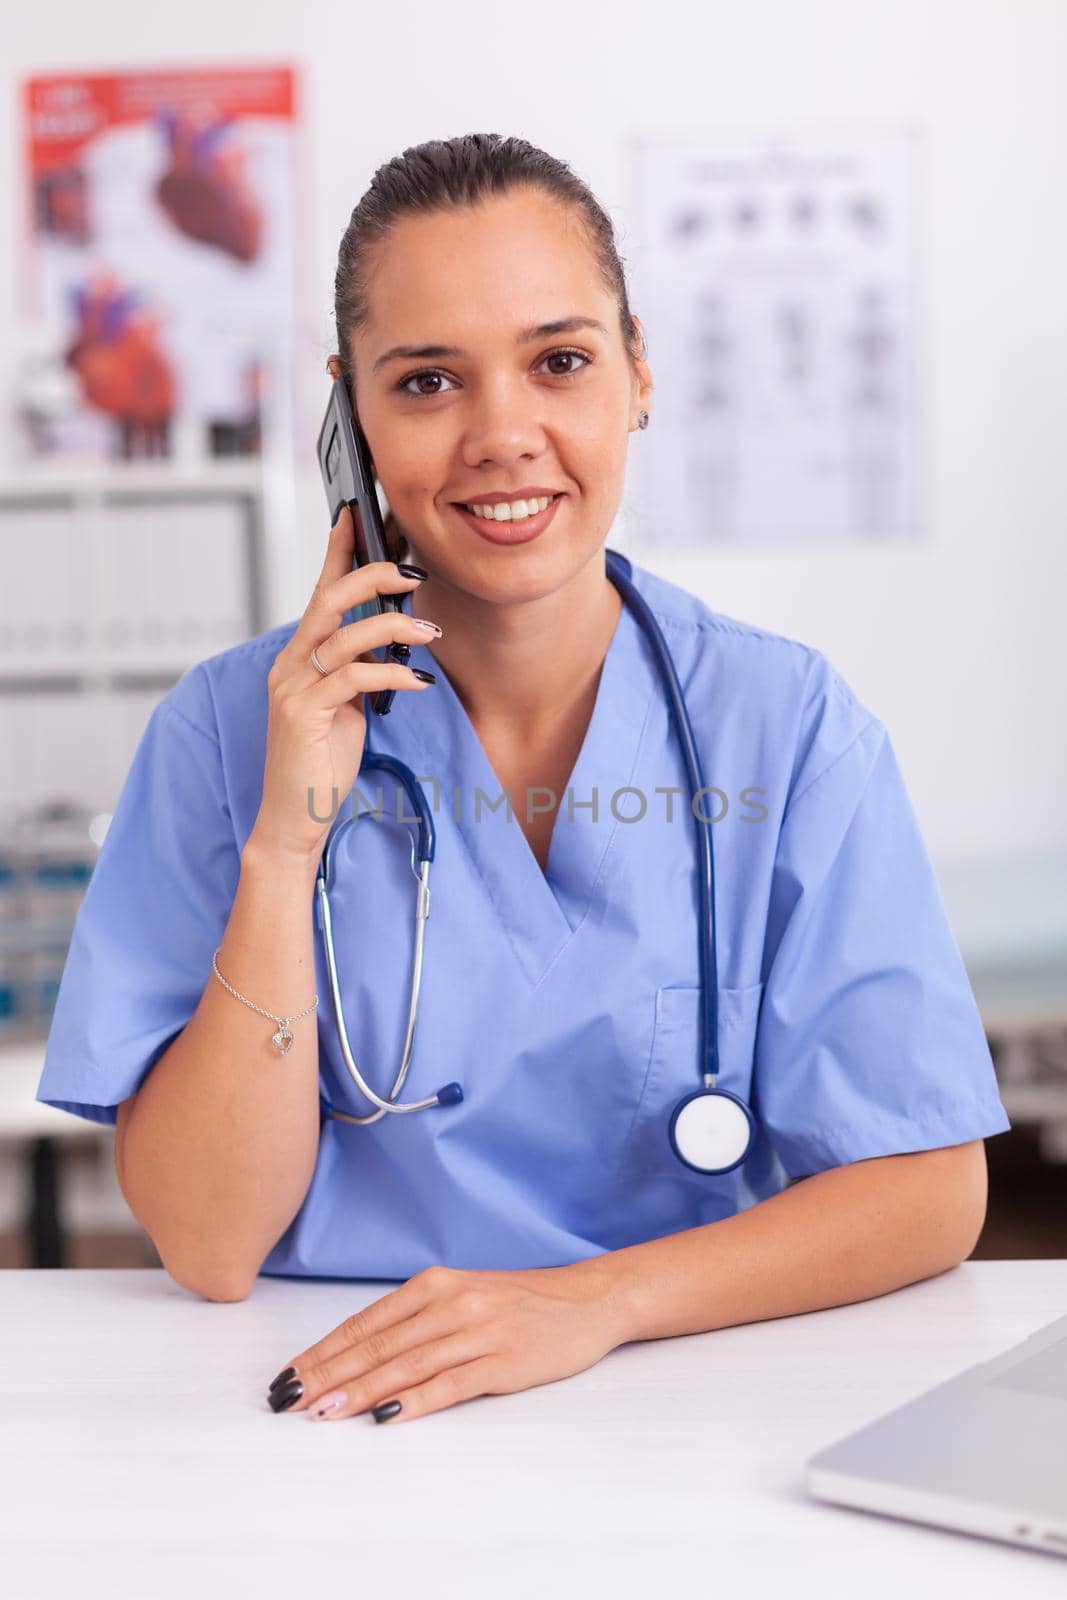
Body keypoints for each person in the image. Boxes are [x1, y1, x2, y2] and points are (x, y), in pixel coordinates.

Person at [37, 133, 1010, 1428]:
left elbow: (928, 1188)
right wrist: (286, 844)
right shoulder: (222, 737)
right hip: (312, 1409)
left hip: (687, 1389)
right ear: (350, 419)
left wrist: (592, 1303)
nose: (505, 436)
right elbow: (211, 1247)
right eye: (428, 381)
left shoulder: (787, 729)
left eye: (560, 361)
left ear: (638, 372)